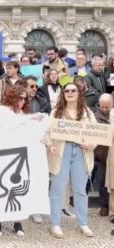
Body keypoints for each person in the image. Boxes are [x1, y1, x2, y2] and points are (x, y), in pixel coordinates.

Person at [46, 82, 96, 238]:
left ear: (78, 93)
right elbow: (47, 132)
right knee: (57, 189)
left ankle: (83, 223)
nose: (69, 92)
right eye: (66, 90)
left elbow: (96, 133)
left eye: (73, 90)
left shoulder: (87, 112)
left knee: (81, 190)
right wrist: (49, 145)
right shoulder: (56, 112)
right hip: (62, 151)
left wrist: (91, 145)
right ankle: (55, 223)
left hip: (81, 151)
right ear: (63, 94)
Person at [0, 85, 43, 235]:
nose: (21, 101)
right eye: (19, 98)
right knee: (1, 188)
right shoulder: (1, 110)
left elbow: (31, 133)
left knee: (19, 189)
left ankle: (17, 222)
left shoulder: (24, 114)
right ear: (12, 97)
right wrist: (29, 119)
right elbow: (8, 124)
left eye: (24, 99)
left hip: (21, 156)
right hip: (3, 154)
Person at [93, 94, 113, 217]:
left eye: (107, 107)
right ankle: (104, 206)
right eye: (102, 106)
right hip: (100, 154)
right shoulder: (94, 117)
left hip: (112, 152)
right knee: (102, 182)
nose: (104, 109)